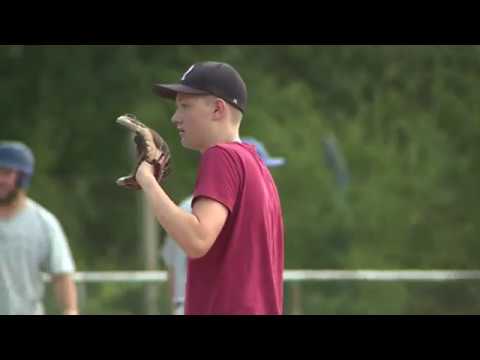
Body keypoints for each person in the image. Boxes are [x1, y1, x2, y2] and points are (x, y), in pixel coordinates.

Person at [136, 61, 285, 315]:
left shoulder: (221, 156)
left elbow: (197, 239)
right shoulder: (256, 165)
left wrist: (148, 181)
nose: (175, 117)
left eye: (185, 106)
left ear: (217, 109)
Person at [161, 137, 285, 315]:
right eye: (263, 169)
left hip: (186, 306)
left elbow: (171, 266)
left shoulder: (184, 207)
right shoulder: (239, 208)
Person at [0, 141, 78, 315]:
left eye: (6, 173)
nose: (0, 179)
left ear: (23, 177)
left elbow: (61, 274)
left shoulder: (43, 222)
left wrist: (70, 310)